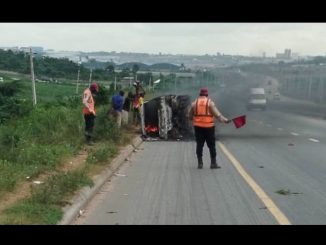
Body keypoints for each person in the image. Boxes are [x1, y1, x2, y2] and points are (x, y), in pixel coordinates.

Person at [188, 88, 230, 169]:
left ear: (200, 94)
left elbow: (189, 116)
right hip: (209, 127)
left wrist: (195, 119)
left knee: (199, 145)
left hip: (198, 127)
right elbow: (217, 115)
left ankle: (200, 163)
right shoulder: (209, 103)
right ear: (207, 94)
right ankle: (213, 163)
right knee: (211, 145)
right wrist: (225, 120)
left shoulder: (194, 103)